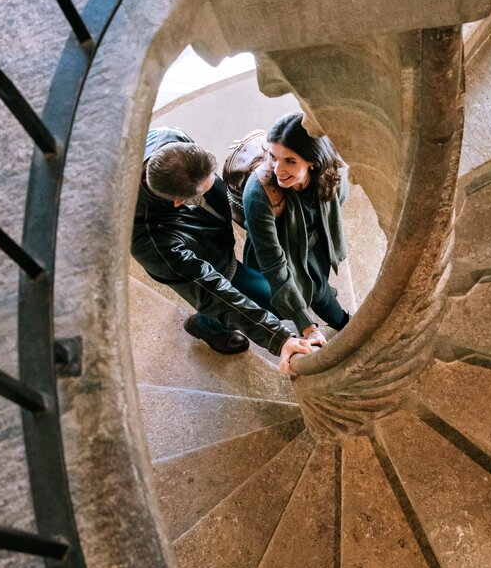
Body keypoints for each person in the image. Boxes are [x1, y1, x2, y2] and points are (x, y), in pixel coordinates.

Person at [131, 126, 311, 375]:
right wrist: (279, 338)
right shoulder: (155, 244)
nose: (215, 183)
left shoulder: (168, 137)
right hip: (212, 264)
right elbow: (212, 291)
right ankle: (207, 326)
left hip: (216, 240)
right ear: (179, 202)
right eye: (204, 191)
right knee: (273, 303)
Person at [242, 113, 350, 349]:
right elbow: (272, 263)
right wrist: (305, 325)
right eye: (273, 156)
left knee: (319, 289)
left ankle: (345, 324)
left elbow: (338, 202)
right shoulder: (258, 193)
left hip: (313, 246)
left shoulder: (331, 173)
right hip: (275, 250)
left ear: (313, 162)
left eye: (290, 161)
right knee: (262, 304)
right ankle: (209, 323)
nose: (278, 169)